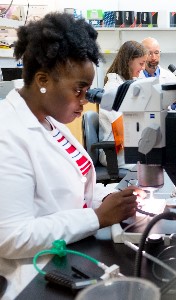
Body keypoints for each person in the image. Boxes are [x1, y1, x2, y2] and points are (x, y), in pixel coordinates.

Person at [0, 12, 146, 300]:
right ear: (42, 80)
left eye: (87, 91)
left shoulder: (49, 121)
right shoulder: (8, 134)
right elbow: (11, 238)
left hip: (69, 253)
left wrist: (108, 199)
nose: (85, 101)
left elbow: (69, 192)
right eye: (78, 91)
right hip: (32, 277)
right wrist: (97, 217)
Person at [99, 40, 148, 169]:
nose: (143, 68)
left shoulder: (128, 83)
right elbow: (124, 128)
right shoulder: (112, 88)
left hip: (129, 145)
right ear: (129, 61)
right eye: (141, 63)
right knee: (155, 160)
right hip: (115, 153)